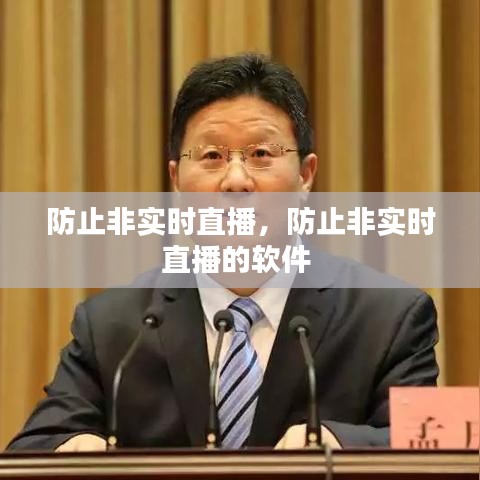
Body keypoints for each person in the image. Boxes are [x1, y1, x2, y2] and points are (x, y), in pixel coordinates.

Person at [7, 53, 438, 452]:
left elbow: (431, 442)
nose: (235, 181)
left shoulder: (388, 318)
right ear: (177, 180)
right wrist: (70, 451)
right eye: (212, 155)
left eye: (261, 154)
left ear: (306, 176)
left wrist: (341, 445)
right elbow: (35, 445)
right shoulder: (115, 328)